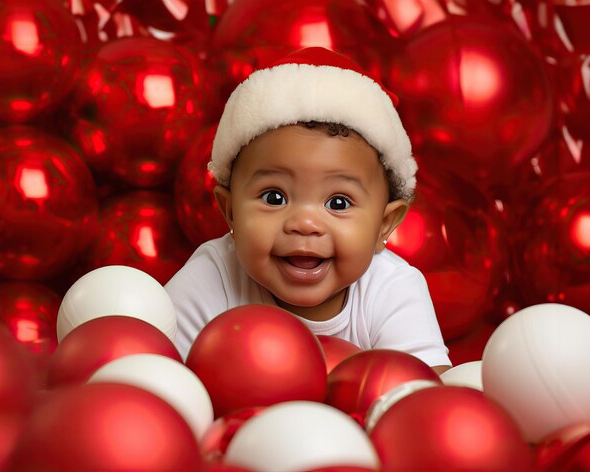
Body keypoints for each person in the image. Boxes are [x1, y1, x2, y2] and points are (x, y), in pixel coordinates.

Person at [165, 47, 451, 374]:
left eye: (338, 203)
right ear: (230, 212)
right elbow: (162, 379)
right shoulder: (213, 276)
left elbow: (425, 398)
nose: (304, 223)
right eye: (274, 197)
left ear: (385, 226)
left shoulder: (392, 288)